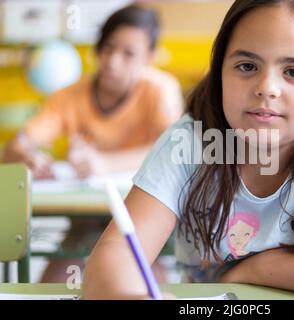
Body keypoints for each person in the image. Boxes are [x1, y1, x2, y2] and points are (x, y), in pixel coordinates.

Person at [83, 0, 294, 300]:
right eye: (247, 66)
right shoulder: (189, 142)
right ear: (220, 71)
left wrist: (256, 268)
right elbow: (112, 259)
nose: (266, 88)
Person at [3, 5, 184, 282]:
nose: (113, 61)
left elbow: (172, 150)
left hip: (142, 211)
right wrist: (27, 155)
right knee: (58, 275)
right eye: (108, 47)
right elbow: (19, 144)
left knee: (146, 272)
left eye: (128, 54)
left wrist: (105, 163)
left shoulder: (160, 90)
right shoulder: (68, 96)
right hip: (84, 215)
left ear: (149, 58)